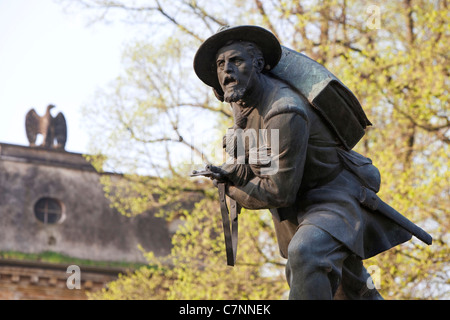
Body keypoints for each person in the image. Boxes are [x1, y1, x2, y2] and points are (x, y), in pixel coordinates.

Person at [193, 25, 415, 299]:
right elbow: (250, 162)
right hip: (300, 210)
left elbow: (279, 191)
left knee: (306, 255)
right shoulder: (242, 101)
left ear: (258, 64)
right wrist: (231, 171)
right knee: (355, 292)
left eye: (237, 60)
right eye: (221, 64)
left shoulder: (284, 110)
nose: (228, 70)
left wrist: (230, 187)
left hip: (332, 200)